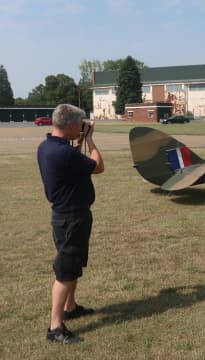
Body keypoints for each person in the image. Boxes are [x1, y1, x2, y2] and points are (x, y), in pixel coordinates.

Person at [37, 104, 104, 344]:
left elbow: (71, 163)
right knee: (65, 271)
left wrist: (80, 141)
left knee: (73, 265)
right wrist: (91, 141)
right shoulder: (64, 153)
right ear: (71, 124)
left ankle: (71, 307)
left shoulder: (47, 147)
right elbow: (98, 167)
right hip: (71, 218)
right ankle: (55, 327)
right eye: (80, 124)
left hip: (66, 216)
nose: (82, 128)